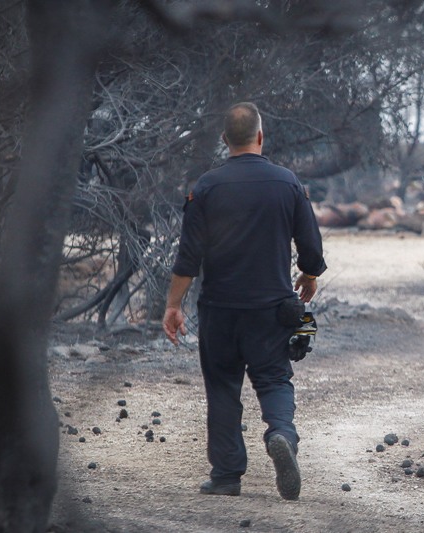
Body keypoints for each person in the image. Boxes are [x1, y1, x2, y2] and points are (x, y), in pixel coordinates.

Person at [162, 102, 326, 500]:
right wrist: (308, 274)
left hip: (219, 310)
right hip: (271, 310)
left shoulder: (205, 187)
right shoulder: (287, 183)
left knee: (222, 387)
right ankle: (282, 434)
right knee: (273, 380)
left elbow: (188, 258)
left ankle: (226, 475)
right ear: (260, 136)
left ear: (224, 141)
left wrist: (173, 305)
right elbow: (311, 248)